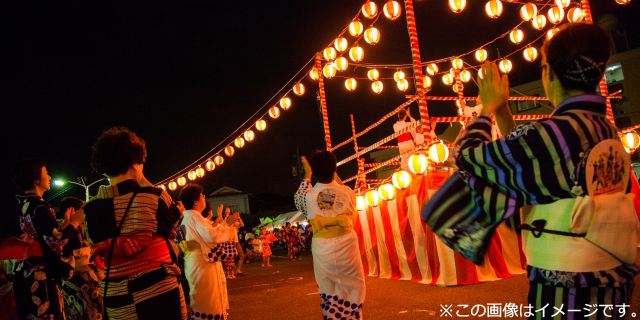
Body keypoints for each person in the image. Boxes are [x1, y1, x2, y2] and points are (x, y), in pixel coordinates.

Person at [423, 23, 637, 319]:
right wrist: (503, 112)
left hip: (566, 283)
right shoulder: (605, 129)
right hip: (614, 278)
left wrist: (486, 109)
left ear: (548, 72)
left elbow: (467, 156)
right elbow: (530, 163)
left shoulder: (554, 133)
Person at [83, 127, 187, 320]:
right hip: (158, 289)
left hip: (115, 295)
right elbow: (174, 220)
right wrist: (145, 181)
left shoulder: (90, 209)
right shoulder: (154, 197)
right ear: (134, 162)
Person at [294, 151, 365, 320]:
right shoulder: (348, 192)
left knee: (328, 287)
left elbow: (300, 194)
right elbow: (340, 189)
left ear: (315, 172)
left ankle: (332, 316)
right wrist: (332, 171)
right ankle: (353, 316)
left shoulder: (306, 197)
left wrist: (308, 174)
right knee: (353, 285)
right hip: (347, 242)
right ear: (334, 170)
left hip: (322, 244)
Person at [12, 159, 82, 320]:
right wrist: (75, 223)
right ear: (36, 180)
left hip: (25, 273)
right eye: (46, 173)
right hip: (40, 277)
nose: (49, 177)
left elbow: (43, 236)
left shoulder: (23, 204)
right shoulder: (39, 207)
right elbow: (55, 243)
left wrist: (65, 224)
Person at [179, 184, 231, 320]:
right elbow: (212, 235)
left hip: (194, 260)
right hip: (201, 263)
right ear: (195, 201)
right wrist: (227, 224)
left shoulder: (188, 218)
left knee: (201, 297)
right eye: (202, 196)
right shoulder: (194, 217)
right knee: (207, 298)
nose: (204, 199)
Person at [59, 197, 104, 320]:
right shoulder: (75, 228)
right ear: (73, 211)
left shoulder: (61, 230)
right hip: (84, 274)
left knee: (75, 311)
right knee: (94, 309)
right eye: (82, 210)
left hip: (69, 278)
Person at [221, 208, 240, 279]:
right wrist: (226, 216)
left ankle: (232, 273)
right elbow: (223, 223)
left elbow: (241, 224)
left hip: (231, 242)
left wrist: (238, 217)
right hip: (226, 243)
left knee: (232, 259)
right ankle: (228, 274)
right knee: (226, 259)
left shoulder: (233, 224)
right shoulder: (224, 223)